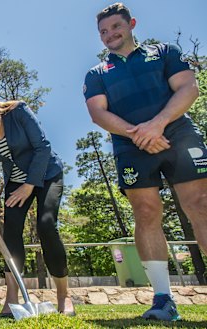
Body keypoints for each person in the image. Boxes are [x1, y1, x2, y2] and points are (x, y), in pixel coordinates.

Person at [84, 3, 207, 321]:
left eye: (115, 27)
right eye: (103, 31)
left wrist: (158, 124)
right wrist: (138, 134)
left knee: (200, 204)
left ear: (132, 24)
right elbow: (98, 113)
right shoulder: (97, 74)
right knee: (146, 212)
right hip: (131, 147)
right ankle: (163, 300)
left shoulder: (165, 52)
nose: (109, 34)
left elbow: (188, 88)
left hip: (178, 136)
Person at [0, 83, 74, 317]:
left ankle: (64, 295)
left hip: (46, 175)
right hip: (16, 183)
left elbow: (43, 147)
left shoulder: (18, 111)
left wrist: (29, 185)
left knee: (46, 224)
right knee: (10, 232)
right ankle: (12, 299)